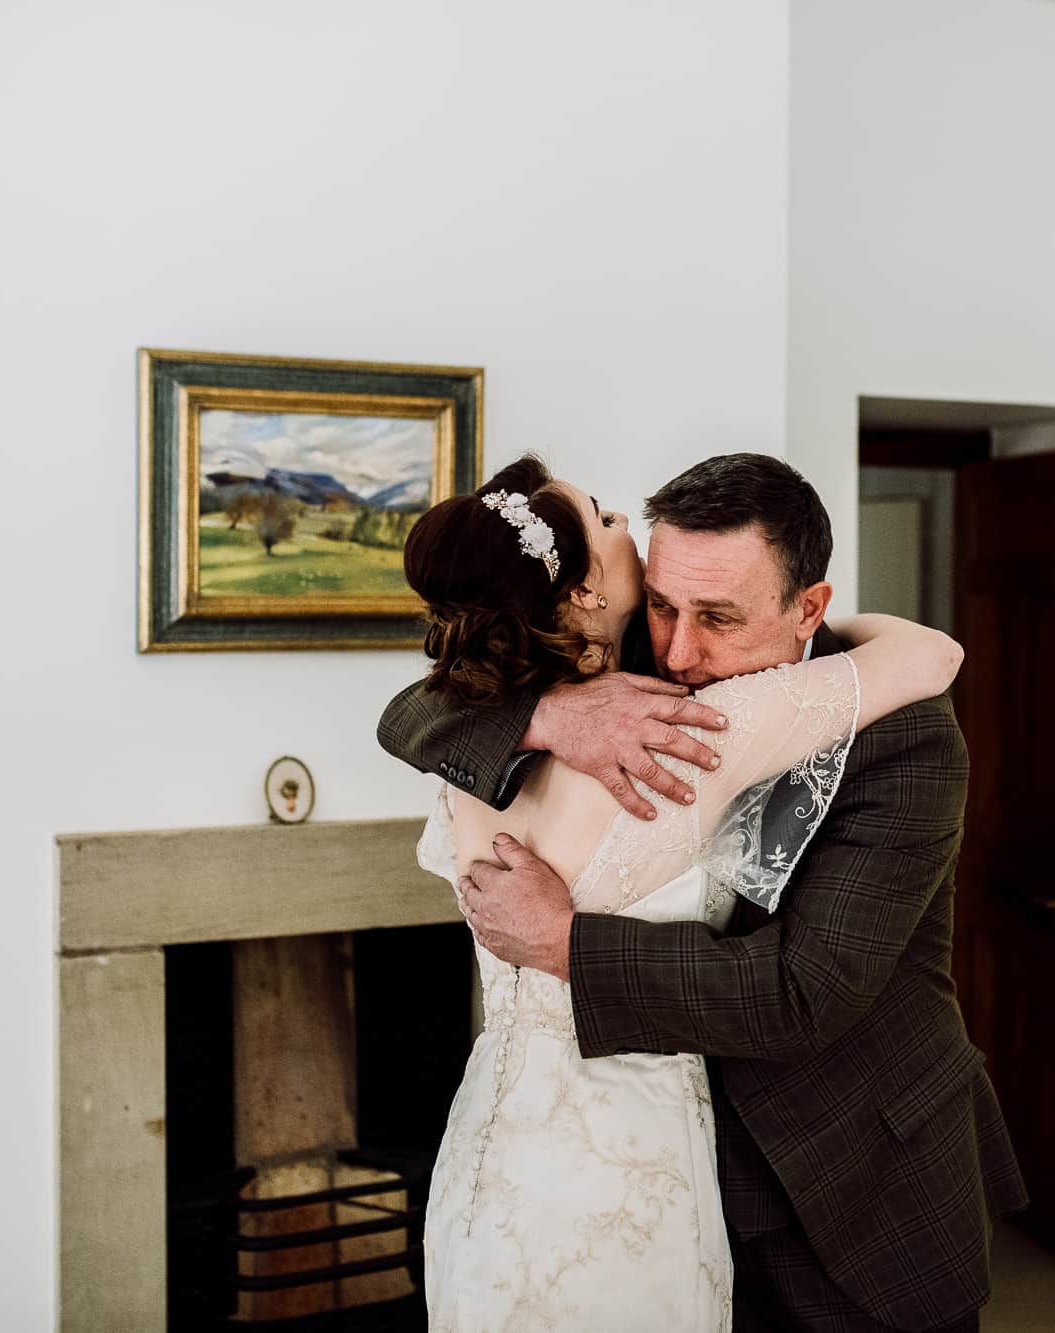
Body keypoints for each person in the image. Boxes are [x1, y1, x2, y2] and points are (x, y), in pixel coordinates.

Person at [396, 454, 978, 1331]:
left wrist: (563, 942)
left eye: (718, 618)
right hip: (653, 1172)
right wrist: (548, 716)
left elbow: (801, 992)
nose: (676, 650)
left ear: (808, 610)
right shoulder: (612, 680)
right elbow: (418, 706)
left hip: (843, 1181)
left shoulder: (908, 741)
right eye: (663, 604)